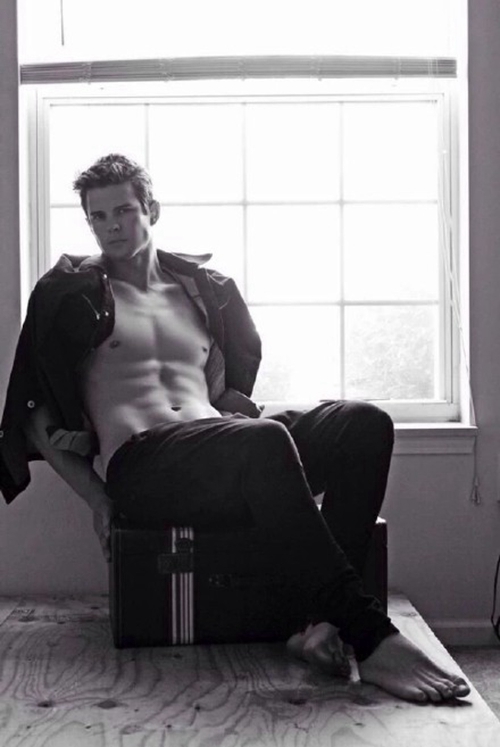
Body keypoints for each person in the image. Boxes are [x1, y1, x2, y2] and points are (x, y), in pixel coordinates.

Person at [0, 153, 469, 704]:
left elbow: (221, 394)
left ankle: (319, 624)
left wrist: (230, 409)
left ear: (152, 209)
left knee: (362, 424)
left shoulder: (202, 294)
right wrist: (98, 499)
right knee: (262, 438)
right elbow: (32, 417)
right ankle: (370, 637)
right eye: (97, 217)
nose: (111, 228)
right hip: (144, 467)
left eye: (123, 211)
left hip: (222, 452)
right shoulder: (69, 294)